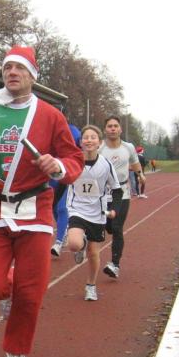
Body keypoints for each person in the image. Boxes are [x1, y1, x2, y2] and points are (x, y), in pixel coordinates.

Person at [0, 45, 84, 357]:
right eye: (7, 68)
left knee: (31, 294)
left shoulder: (50, 115)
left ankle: (16, 352)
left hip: (36, 211)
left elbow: (73, 159)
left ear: (32, 76)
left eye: (20, 68)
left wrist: (57, 165)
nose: (12, 73)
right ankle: (8, 289)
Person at [64, 125, 123, 301]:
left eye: (93, 137)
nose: (89, 140)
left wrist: (115, 209)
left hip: (98, 213)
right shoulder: (73, 162)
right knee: (74, 244)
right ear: (81, 142)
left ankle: (91, 285)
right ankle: (80, 245)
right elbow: (62, 182)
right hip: (76, 209)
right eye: (86, 137)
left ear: (99, 142)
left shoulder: (106, 165)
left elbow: (117, 189)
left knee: (93, 253)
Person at [99, 116, 144, 279]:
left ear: (120, 129)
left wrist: (140, 174)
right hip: (103, 193)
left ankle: (115, 265)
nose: (113, 128)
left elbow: (135, 162)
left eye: (115, 126)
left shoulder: (128, 147)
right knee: (107, 227)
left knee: (117, 227)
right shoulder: (100, 147)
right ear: (105, 130)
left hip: (122, 192)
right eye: (109, 126)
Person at [51, 121, 82, 257]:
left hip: (66, 173)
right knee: (53, 208)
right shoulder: (44, 126)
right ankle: (64, 232)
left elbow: (80, 148)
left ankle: (58, 242)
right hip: (50, 175)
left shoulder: (72, 130)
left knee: (62, 208)